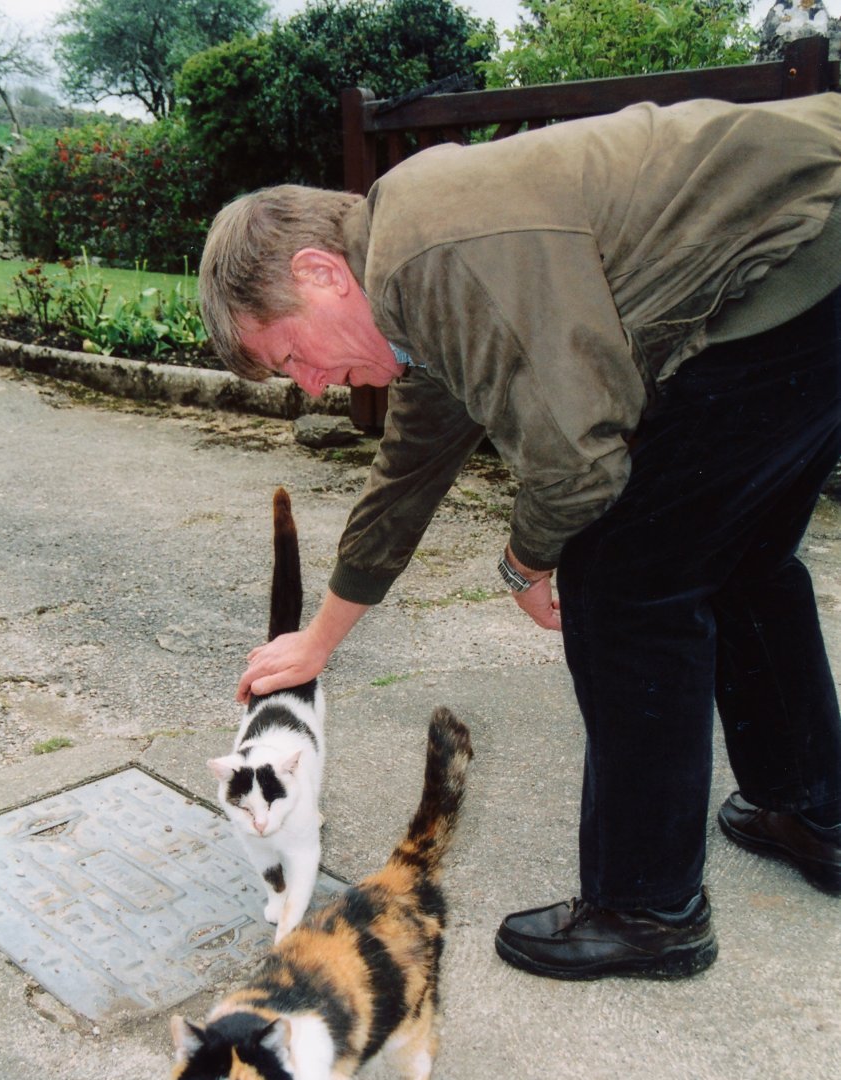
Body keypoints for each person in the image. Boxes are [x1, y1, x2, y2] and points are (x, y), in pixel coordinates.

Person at [198, 92, 841, 981]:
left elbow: (580, 463)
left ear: (318, 272)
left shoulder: (433, 255)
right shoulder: (415, 293)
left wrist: (525, 560)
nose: (308, 386)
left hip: (802, 267)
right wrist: (317, 640)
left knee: (625, 581)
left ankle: (649, 908)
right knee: (741, 555)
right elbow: (404, 480)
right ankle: (810, 808)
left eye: (287, 355)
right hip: (815, 264)